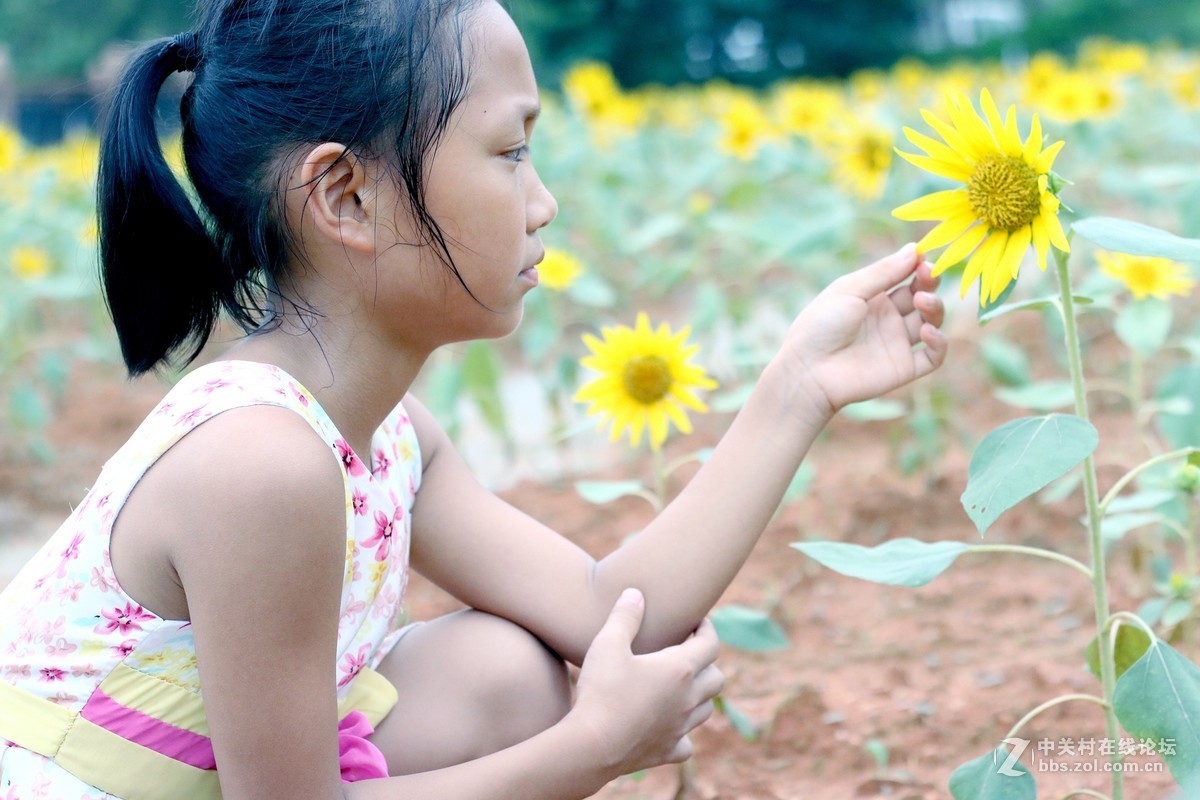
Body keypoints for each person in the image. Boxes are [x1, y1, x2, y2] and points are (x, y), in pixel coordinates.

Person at [0, 1, 948, 797]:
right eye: (510, 151)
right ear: (345, 198)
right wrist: (592, 751)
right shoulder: (259, 463)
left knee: (505, 674)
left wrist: (799, 386)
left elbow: (604, 608)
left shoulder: (388, 440)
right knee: (527, 704)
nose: (544, 204)